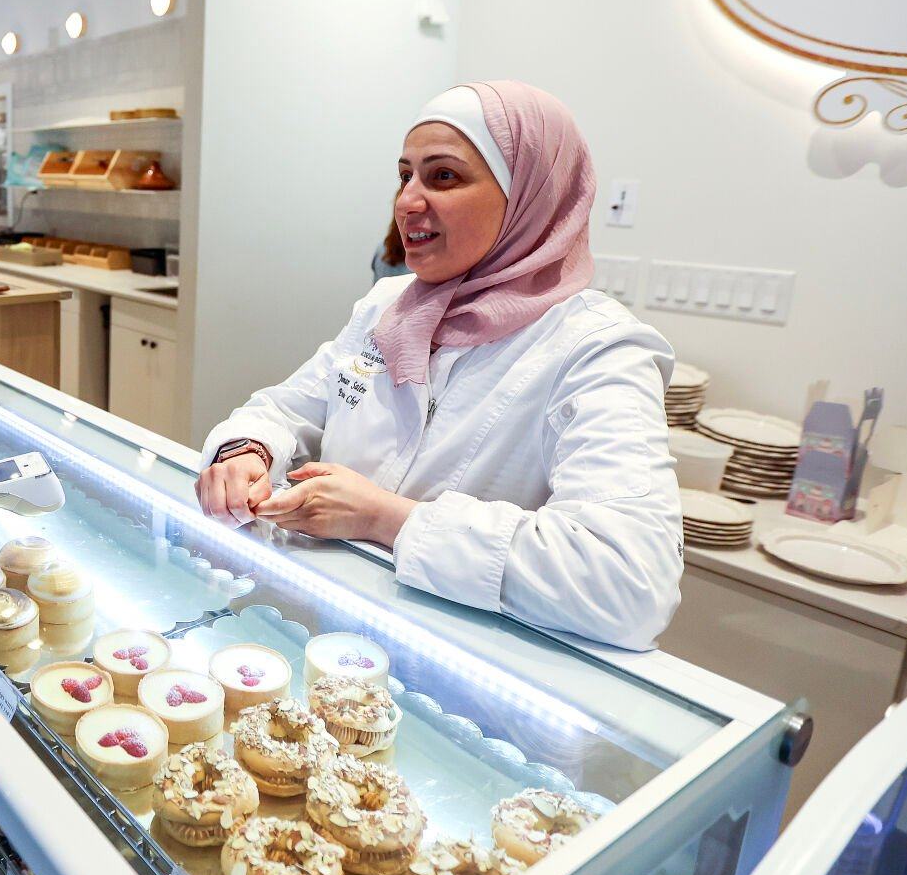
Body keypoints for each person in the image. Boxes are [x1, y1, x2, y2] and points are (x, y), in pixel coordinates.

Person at [195, 81, 682, 650]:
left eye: (443, 176)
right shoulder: (389, 307)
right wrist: (245, 450)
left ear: (528, 195)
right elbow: (287, 408)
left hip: (453, 667)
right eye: (406, 175)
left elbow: (629, 582)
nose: (407, 201)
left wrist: (386, 519)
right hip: (323, 629)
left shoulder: (598, 349)